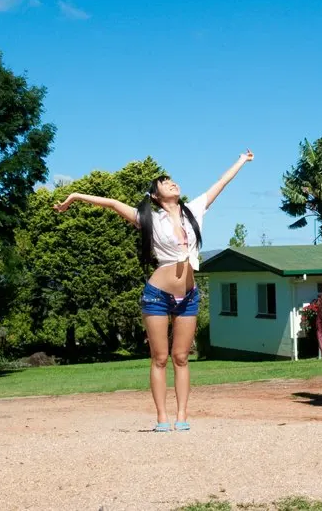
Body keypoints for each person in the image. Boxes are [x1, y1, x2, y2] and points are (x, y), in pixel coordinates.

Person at [53, 150, 254, 432]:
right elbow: (111, 203)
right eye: (164, 182)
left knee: (181, 357)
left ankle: (182, 415)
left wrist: (242, 160)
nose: (172, 183)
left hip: (189, 296)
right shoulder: (147, 218)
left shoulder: (194, 210)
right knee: (160, 358)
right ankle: (162, 417)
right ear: (156, 196)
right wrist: (74, 197)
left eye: (172, 180)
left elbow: (222, 182)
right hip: (157, 295)